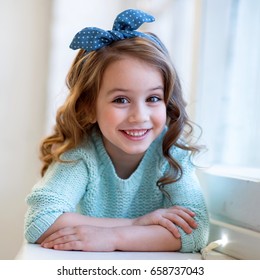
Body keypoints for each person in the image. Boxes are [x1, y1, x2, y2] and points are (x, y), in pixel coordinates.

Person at [24, 9, 209, 253]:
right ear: (89, 108)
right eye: (121, 100)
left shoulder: (172, 153)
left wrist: (114, 238)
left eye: (153, 98)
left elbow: (195, 231)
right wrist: (135, 224)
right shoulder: (82, 154)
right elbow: (39, 221)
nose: (140, 116)